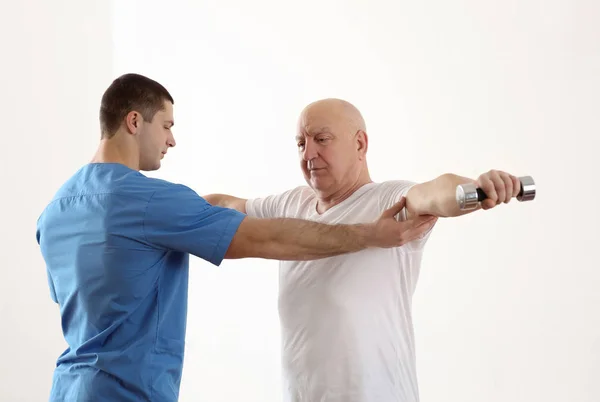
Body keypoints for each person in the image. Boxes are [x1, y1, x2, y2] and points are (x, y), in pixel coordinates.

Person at [35, 75, 437, 402]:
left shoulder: (54, 211)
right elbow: (266, 240)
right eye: (167, 125)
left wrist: (196, 210)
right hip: (128, 393)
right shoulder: (150, 201)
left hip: (68, 389)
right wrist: (368, 234)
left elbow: (74, 300)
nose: (172, 140)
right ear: (135, 121)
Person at [204, 98, 525, 402]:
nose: (308, 154)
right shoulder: (292, 204)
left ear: (360, 144)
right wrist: (165, 205)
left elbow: (435, 194)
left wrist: (478, 190)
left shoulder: (389, 200)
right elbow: (225, 205)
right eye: (301, 143)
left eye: (322, 139)